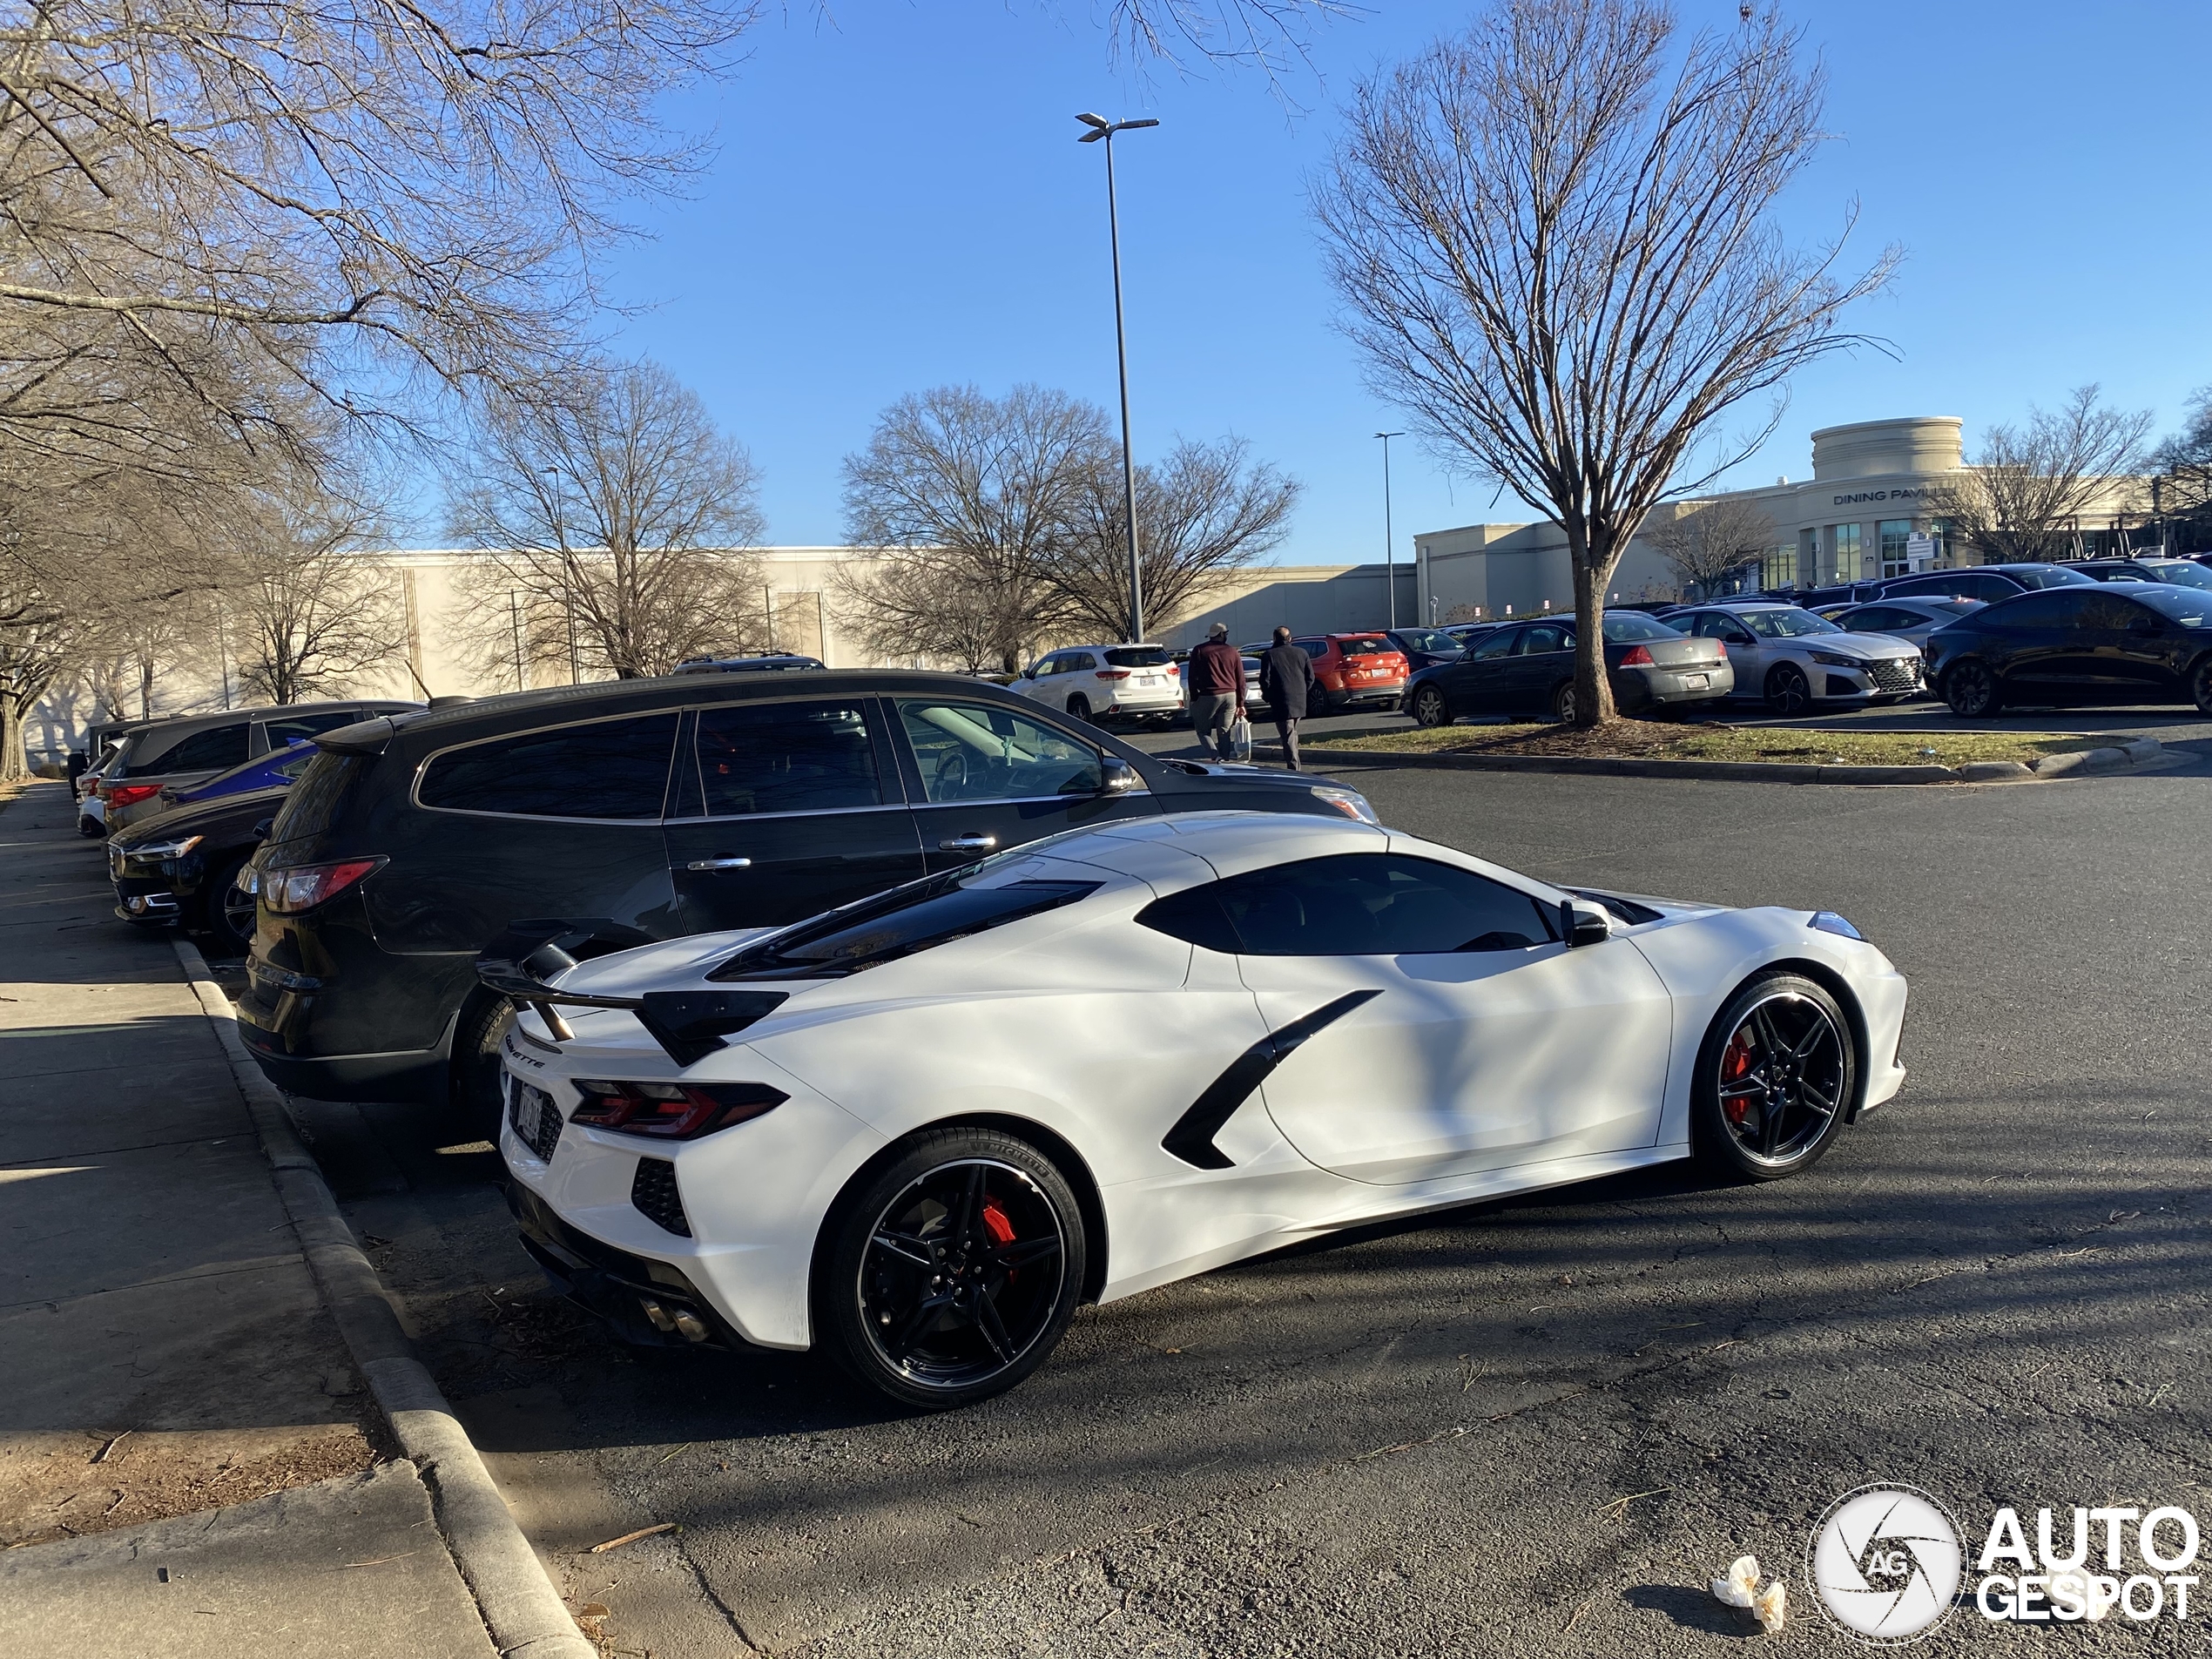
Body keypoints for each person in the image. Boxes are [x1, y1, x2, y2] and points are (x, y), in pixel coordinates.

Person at [1258, 625, 1315, 771]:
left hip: (1281, 700)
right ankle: (1294, 763)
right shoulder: (1301, 653)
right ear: (1290, 638)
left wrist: (1268, 696)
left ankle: (1294, 768)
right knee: (1292, 732)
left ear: (1274, 638)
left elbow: (1265, 680)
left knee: (1288, 735)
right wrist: (1304, 691)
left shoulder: (1269, 655)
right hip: (1299, 699)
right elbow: (1310, 677)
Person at [1184, 622, 1244, 760]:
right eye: (1226, 634)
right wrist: (1241, 703)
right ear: (1222, 634)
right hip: (1230, 695)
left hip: (1208, 695)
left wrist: (1194, 697)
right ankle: (1225, 759)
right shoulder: (1232, 651)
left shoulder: (1200, 650)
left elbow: (1192, 676)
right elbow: (1240, 679)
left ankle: (1215, 756)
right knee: (1224, 731)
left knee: (1202, 730)